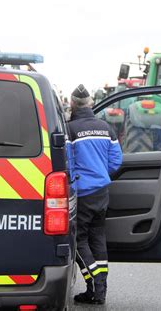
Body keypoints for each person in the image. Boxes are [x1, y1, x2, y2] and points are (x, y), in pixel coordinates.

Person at [67, 84, 123, 305]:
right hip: (101, 192)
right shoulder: (106, 128)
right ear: (90, 104)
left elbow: (67, 164)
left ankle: (96, 285)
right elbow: (117, 161)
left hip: (82, 194)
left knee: (78, 239)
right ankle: (99, 291)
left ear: (72, 104)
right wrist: (100, 173)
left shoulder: (70, 129)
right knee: (98, 239)